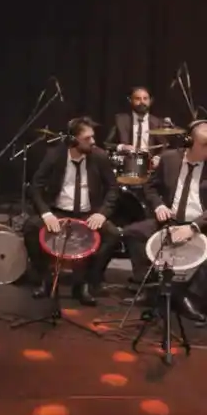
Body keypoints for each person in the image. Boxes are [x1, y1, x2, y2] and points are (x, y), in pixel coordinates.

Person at [23, 116, 121, 306]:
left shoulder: (99, 156)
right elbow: (35, 186)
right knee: (31, 227)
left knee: (112, 234)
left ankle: (86, 282)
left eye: (93, 137)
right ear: (73, 140)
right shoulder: (55, 155)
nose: (93, 141)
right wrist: (46, 213)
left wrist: (102, 213)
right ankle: (45, 279)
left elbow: (113, 188)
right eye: (87, 138)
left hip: (87, 213)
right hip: (59, 211)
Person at [122, 120, 207, 320]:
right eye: (205, 145)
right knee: (133, 233)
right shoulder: (169, 159)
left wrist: (194, 227)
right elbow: (150, 186)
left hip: (201, 223)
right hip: (170, 219)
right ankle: (150, 287)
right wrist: (159, 205)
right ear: (189, 142)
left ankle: (186, 297)